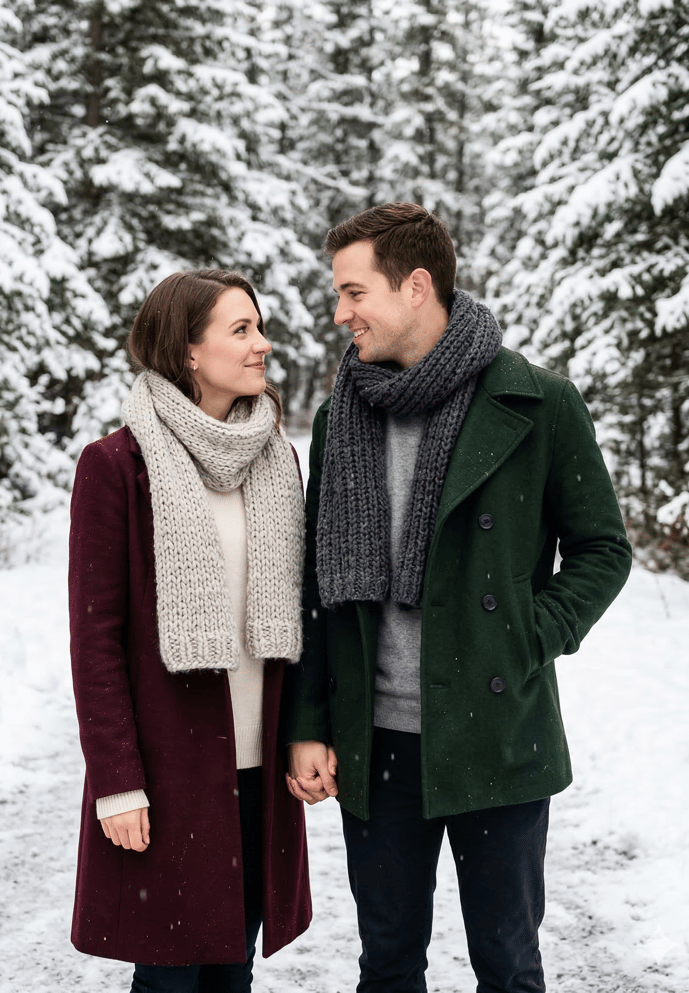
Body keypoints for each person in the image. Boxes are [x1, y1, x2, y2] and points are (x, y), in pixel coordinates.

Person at [285, 203, 632, 993]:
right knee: (390, 963)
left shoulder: (537, 403)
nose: (339, 314)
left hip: (497, 737)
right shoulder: (341, 413)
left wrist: (527, 633)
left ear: (415, 286)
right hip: (377, 745)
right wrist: (308, 722)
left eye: (352, 292)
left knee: (508, 965)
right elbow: (315, 583)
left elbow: (602, 549)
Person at [69, 269, 311, 993]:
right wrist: (117, 782)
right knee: (169, 977)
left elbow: (301, 616)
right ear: (187, 353)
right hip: (169, 773)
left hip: (256, 771)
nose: (263, 344)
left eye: (259, 326)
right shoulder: (117, 466)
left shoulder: (275, 458)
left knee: (231, 969)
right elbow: (95, 639)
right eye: (241, 330)